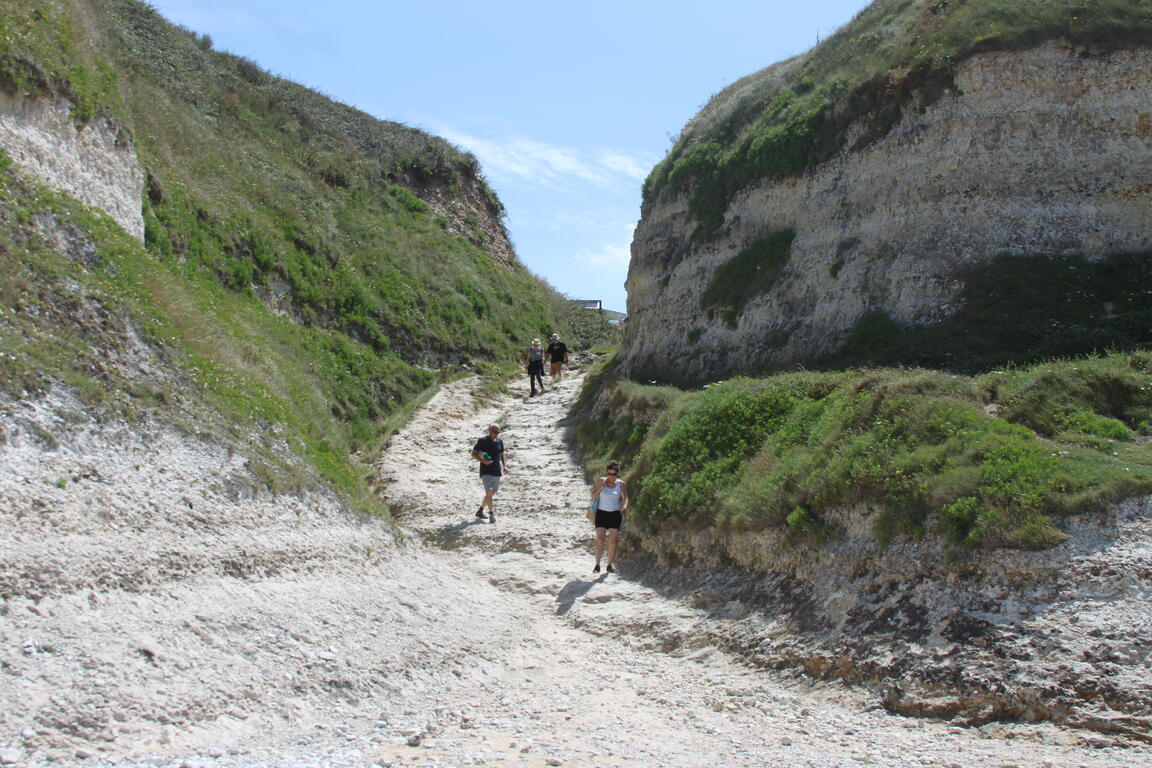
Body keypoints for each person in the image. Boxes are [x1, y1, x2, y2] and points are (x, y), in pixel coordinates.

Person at [589, 460, 628, 574]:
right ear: (607, 473)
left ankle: (609, 564)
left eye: (614, 474)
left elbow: (625, 497)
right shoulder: (601, 481)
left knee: (613, 541)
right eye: (609, 474)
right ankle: (597, 565)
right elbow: (592, 495)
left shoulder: (621, 484)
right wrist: (601, 488)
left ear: (617, 474)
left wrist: (624, 506)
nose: (611, 476)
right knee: (600, 539)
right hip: (601, 513)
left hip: (615, 514)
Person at [471, 424, 508, 522]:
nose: (496, 434)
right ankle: (492, 514)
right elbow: (473, 453)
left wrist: (505, 466)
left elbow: (502, 454)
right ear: (489, 431)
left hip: (496, 470)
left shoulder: (500, 441)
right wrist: (483, 461)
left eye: (498, 432)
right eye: (494, 432)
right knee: (489, 491)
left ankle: (480, 510)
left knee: (490, 494)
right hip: (486, 471)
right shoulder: (482, 441)